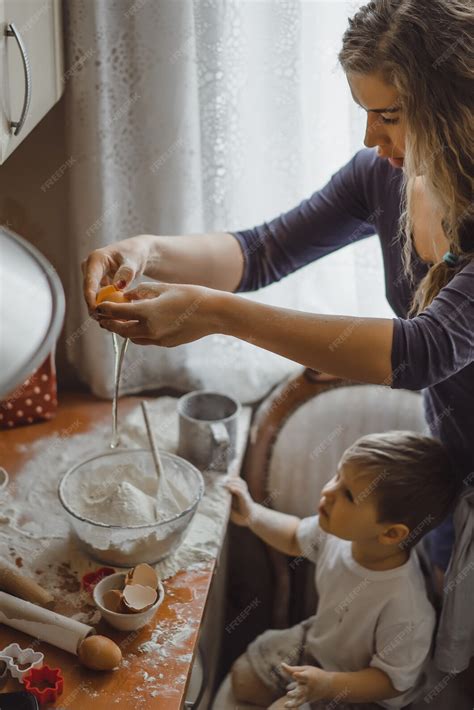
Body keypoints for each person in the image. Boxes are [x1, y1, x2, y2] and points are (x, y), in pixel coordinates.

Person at [82, 0, 473, 678]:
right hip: (453, 470)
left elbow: (421, 352)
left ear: (457, 109)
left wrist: (215, 315)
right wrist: (150, 251)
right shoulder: (387, 176)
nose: (369, 137)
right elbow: (261, 251)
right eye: (364, 111)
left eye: (388, 115)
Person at [223, 431, 458, 710]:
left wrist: (329, 685)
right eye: (337, 476)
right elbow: (293, 536)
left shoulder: (406, 607)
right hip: (319, 647)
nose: (327, 492)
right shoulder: (338, 534)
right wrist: (252, 514)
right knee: (244, 680)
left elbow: (391, 680)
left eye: (347, 494)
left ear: (391, 533)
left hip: (361, 691)